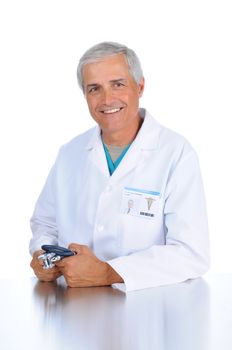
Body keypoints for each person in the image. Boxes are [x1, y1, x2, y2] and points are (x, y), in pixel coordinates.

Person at [30, 41, 210, 292]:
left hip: (145, 310)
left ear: (140, 86)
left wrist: (108, 272)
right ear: (85, 96)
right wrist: (43, 254)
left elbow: (191, 254)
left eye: (118, 84)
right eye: (94, 88)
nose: (107, 99)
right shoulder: (70, 154)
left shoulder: (176, 153)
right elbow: (45, 223)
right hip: (76, 312)